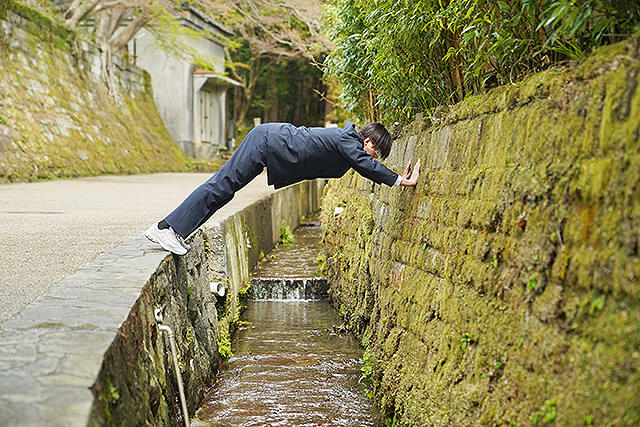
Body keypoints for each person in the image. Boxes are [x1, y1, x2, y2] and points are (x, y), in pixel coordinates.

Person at [145, 121, 421, 255]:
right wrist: (399, 180)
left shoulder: (347, 142)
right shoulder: (347, 138)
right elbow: (364, 165)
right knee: (222, 185)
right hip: (266, 142)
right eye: (376, 152)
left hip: (268, 145)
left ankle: (179, 231)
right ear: (370, 142)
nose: (374, 158)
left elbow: (362, 163)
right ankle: (166, 229)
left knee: (226, 191)